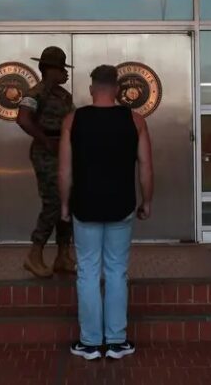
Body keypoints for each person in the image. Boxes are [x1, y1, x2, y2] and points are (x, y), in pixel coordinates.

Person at [58, 64, 153, 361]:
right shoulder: (135, 120)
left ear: (91, 89)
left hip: (84, 206)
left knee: (87, 271)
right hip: (120, 206)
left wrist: (64, 204)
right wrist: (146, 201)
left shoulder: (73, 120)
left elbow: (64, 169)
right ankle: (115, 341)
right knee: (116, 272)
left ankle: (89, 343)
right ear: (117, 89)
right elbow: (146, 168)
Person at [16, 46, 76, 278]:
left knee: (68, 202)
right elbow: (23, 120)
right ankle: (35, 254)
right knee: (53, 202)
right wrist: (44, 140)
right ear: (49, 70)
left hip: (65, 151)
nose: (65, 73)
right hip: (46, 153)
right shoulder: (35, 94)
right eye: (62, 68)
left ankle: (63, 255)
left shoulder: (63, 96)